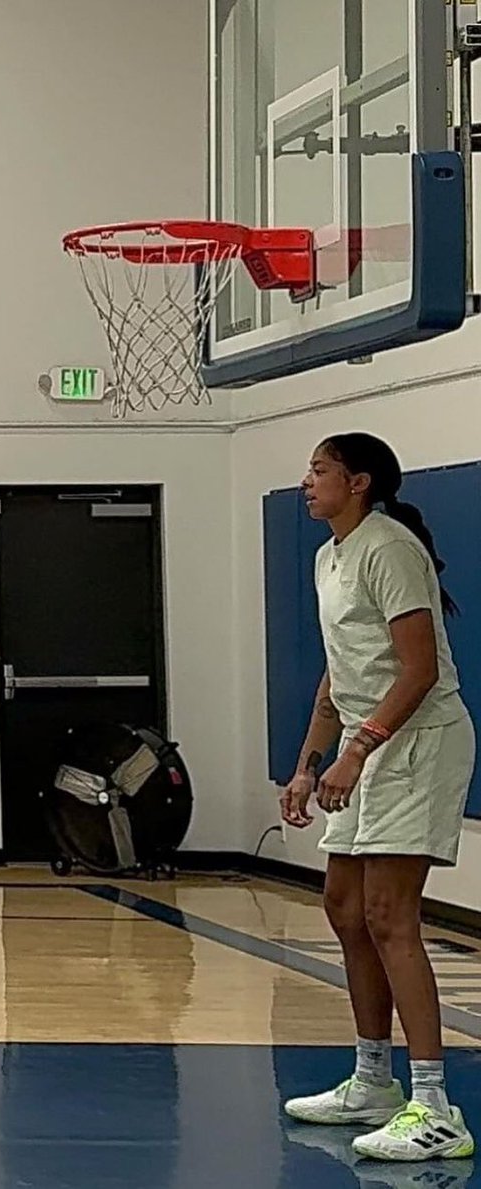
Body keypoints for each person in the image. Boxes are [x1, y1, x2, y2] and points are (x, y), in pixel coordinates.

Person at [280, 432, 476, 1162]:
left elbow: (419, 669)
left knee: (391, 915)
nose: (307, 481)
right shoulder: (328, 556)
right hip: (367, 743)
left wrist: (359, 751)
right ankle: (372, 1080)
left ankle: (436, 1108)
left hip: (417, 742)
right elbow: (340, 672)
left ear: (358, 482)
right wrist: (309, 763)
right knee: (344, 907)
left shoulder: (390, 548)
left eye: (320, 469)